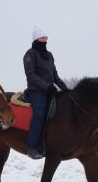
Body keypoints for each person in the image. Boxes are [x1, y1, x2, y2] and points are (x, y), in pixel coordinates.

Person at [23, 26, 69, 159]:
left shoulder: (49, 55)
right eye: (43, 38)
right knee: (41, 111)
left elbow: (54, 75)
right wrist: (47, 86)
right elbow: (31, 75)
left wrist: (65, 88)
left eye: (46, 38)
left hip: (49, 90)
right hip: (35, 91)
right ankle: (31, 147)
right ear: (36, 39)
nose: (45, 40)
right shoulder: (29, 54)